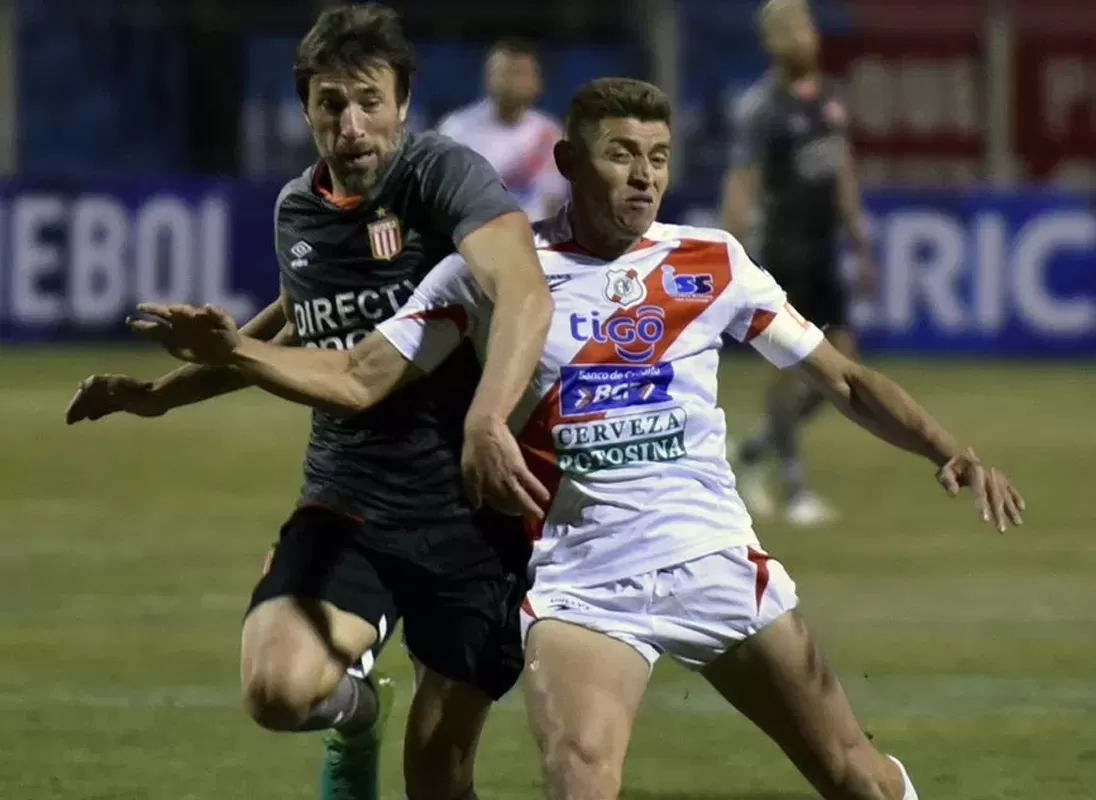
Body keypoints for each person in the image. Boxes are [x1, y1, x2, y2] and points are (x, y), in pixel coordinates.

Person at [130, 76, 1025, 800]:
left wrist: (949, 446)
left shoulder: (710, 263)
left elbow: (845, 379)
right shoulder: (494, 276)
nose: (644, 177)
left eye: (659, 159)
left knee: (853, 777)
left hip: (716, 557)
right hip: (584, 583)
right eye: (622, 155)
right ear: (567, 161)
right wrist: (237, 356)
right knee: (580, 783)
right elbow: (362, 374)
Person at [64, 5, 553, 800]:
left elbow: (524, 289)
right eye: (331, 103)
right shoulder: (299, 208)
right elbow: (292, 326)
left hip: (472, 512)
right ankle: (358, 716)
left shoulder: (442, 175)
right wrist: (161, 395)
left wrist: (489, 414)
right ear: (304, 109)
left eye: (369, 101)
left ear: (402, 102)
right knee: (276, 692)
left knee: (438, 775)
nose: (352, 125)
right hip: (350, 498)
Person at [720, 0, 878, 526]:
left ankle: (752, 453)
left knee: (844, 370)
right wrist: (725, 252)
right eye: (784, 28)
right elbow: (743, 184)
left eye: (803, 24)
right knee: (793, 369)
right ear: (769, 43)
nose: (798, 35)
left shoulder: (831, 98)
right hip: (785, 252)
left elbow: (844, 175)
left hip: (825, 250)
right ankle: (794, 487)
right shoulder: (761, 108)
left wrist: (860, 245)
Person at [437, 40, 570, 220]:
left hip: (533, 239)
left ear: (537, 82)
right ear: (488, 78)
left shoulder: (549, 133)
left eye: (521, 74)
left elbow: (554, 199)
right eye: (506, 74)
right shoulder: (457, 129)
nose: (513, 83)